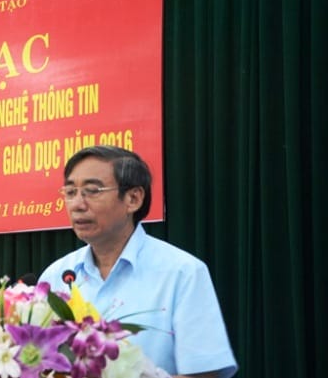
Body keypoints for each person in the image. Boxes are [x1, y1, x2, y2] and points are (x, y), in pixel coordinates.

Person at [39, 145, 237, 378]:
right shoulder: (57, 276)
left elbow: (204, 374)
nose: (77, 204)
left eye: (92, 191)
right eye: (71, 192)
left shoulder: (182, 273)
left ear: (133, 198)